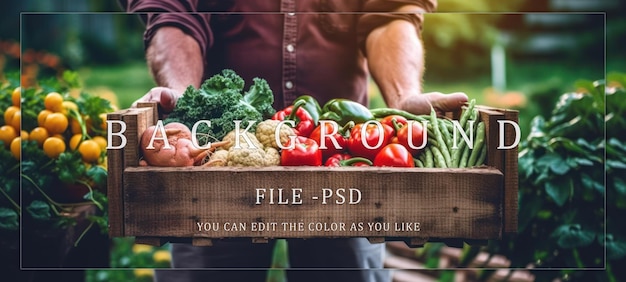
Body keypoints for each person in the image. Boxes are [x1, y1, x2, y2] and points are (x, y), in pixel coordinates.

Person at [121, 1, 468, 281]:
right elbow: (173, 11)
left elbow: (389, 12)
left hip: (344, 164)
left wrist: (404, 94)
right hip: (218, 160)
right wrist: (187, 98)